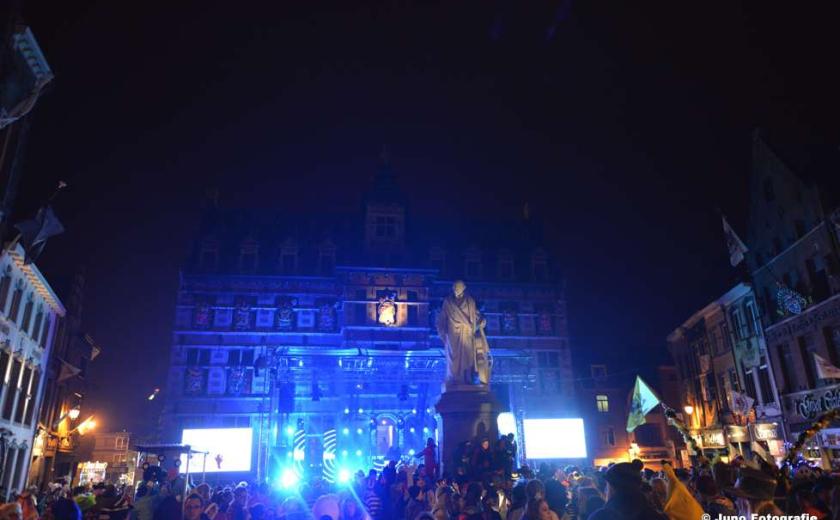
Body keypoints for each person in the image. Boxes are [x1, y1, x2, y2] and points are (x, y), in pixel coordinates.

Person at [588, 460, 667, 520]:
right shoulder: (656, 515)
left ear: (612, 488)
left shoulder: (601, 516)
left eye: (607, 486)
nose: (605, 491)